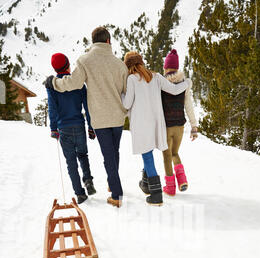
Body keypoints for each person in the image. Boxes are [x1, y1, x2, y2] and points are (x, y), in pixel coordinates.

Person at [45, 27, 128, 208]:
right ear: (108, 41)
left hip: (100, 118)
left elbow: (73, 83)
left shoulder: (85, 61)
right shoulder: (120, 64)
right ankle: (113, 183)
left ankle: (117, 194)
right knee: (114, 152)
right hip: (117, 117)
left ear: (93, 41)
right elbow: (126, 92)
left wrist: (53, 82)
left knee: (108, 155)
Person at [122, 51, 189, 206]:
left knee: (147, 156)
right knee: (149, 153)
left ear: (129, 66)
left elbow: (126, 104)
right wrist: (187, 83)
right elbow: (174, 89)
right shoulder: (156, 76)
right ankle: (145, 184)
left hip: (142, 125)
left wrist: (120, 94)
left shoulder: (132, 79)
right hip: (157, 124)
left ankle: (156, 193)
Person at [47, 53, 96, 204]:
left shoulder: (52, 85)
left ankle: (80, 193)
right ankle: (88, 180)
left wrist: (54, 128)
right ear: (68, 65)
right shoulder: (78, 82)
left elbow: (52, 108)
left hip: (63, 128)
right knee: (83, 155)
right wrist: (91, 127)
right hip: (79, 126)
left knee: (71, 162)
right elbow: (88, 107)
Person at [161, 49, 198, 196]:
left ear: (165, 67)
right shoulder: (184, 84)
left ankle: (170, 187)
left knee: (166, 156)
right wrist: (194, 126)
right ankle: (182, 180)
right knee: (175, 153)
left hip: (167, 127)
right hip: (180, 127)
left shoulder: (162, 84)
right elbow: (188, 105)